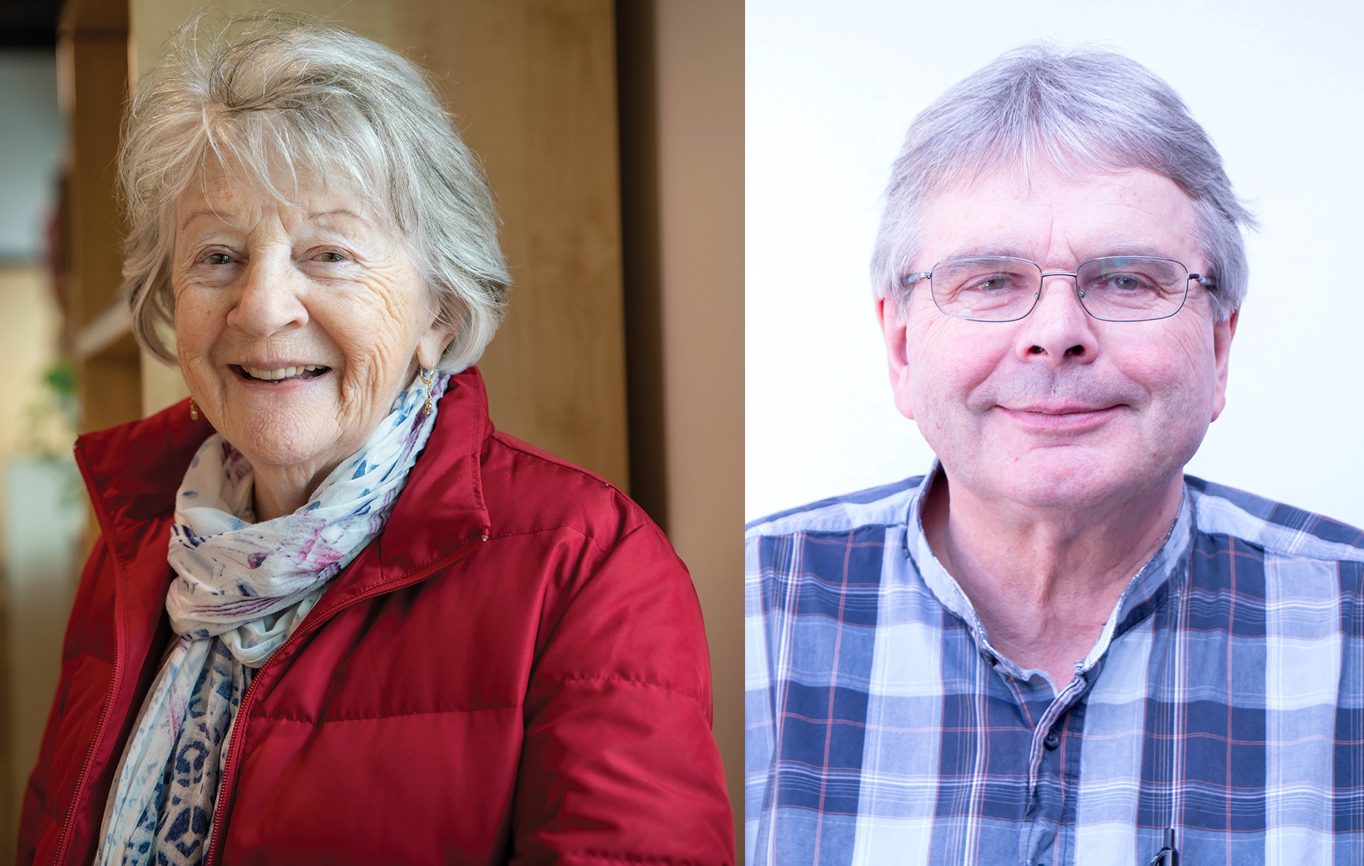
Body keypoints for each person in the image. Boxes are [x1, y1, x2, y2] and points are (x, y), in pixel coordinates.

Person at [18, 16, 733, 866]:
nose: (261, 307)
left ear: (438, 309)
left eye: (327, 253)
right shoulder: (142, 546)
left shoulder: (592, 571)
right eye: (217, 256)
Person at [746, 44, 1364, 865]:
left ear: (1219, 349)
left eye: (1127, 280)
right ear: (900, 346)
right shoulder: (738, 615)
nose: (1056, 333)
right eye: (992, 281)